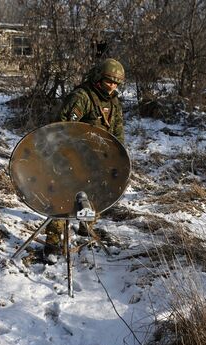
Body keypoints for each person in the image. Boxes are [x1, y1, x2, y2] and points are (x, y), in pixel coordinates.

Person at [44, 58, 126, 255]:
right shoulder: (82, 97)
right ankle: (53, 243)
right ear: (98, 78)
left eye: (116, 83)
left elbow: (117, 132)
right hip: (72, 158)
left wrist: (117, 156)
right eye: (108, 81)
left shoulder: (114, 102)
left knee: (95, 194)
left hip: (98, 159)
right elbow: (61, 127)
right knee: (63, 198)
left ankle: (85, 226)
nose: (112, 86)